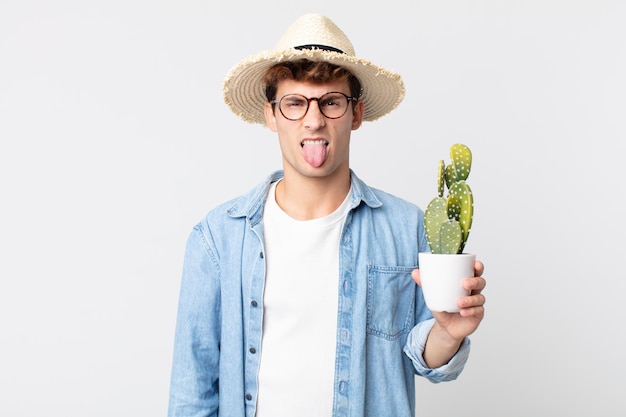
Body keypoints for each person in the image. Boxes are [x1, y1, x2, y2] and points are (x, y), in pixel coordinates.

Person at [167, 13, 486, 417]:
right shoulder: (218, 238)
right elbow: (191, 393)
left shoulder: (406, 228)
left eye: (331, 102)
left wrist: (448, 332)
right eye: (295, 103)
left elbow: (429, 359)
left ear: (355, 114)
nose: (314, 120)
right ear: (271, 115)